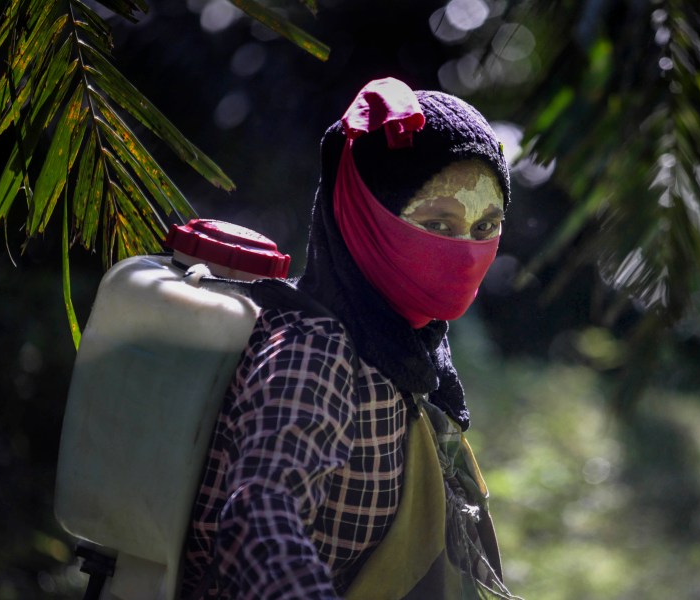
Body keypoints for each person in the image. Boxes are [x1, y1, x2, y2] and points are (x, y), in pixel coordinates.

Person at [181, 77, 520, 600]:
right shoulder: (314, 350)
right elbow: (259, 513)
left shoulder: (408, 344)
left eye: (485, 228)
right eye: (438, 224)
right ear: (365, 217)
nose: (466, 252)